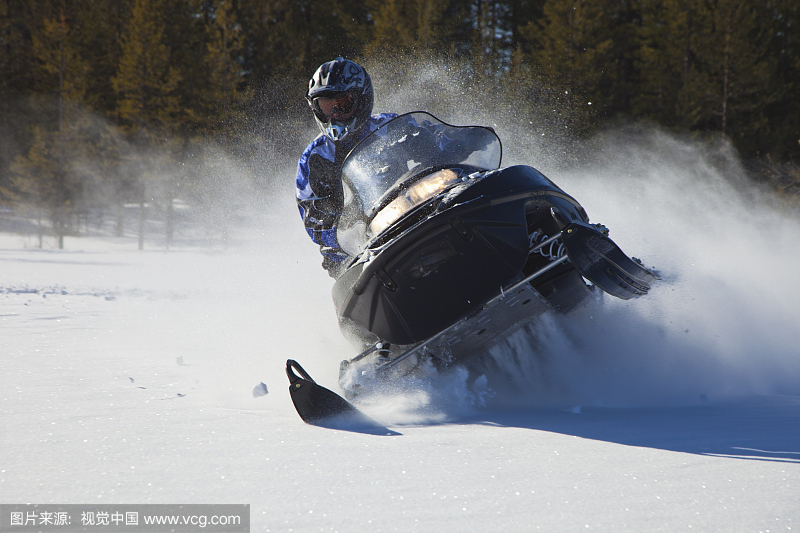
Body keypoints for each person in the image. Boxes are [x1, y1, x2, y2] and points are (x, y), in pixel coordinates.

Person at [296, 57, 397, 277]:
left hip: (404, 215)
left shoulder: (391, 127)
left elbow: (433, 140)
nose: (334, 116)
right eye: (326, 107)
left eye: (342, 105)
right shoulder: (313, 157)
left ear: (362, 101)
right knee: (348, 271)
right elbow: (311, 216)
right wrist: (343, 230)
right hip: (352, 251)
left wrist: (463, 144)